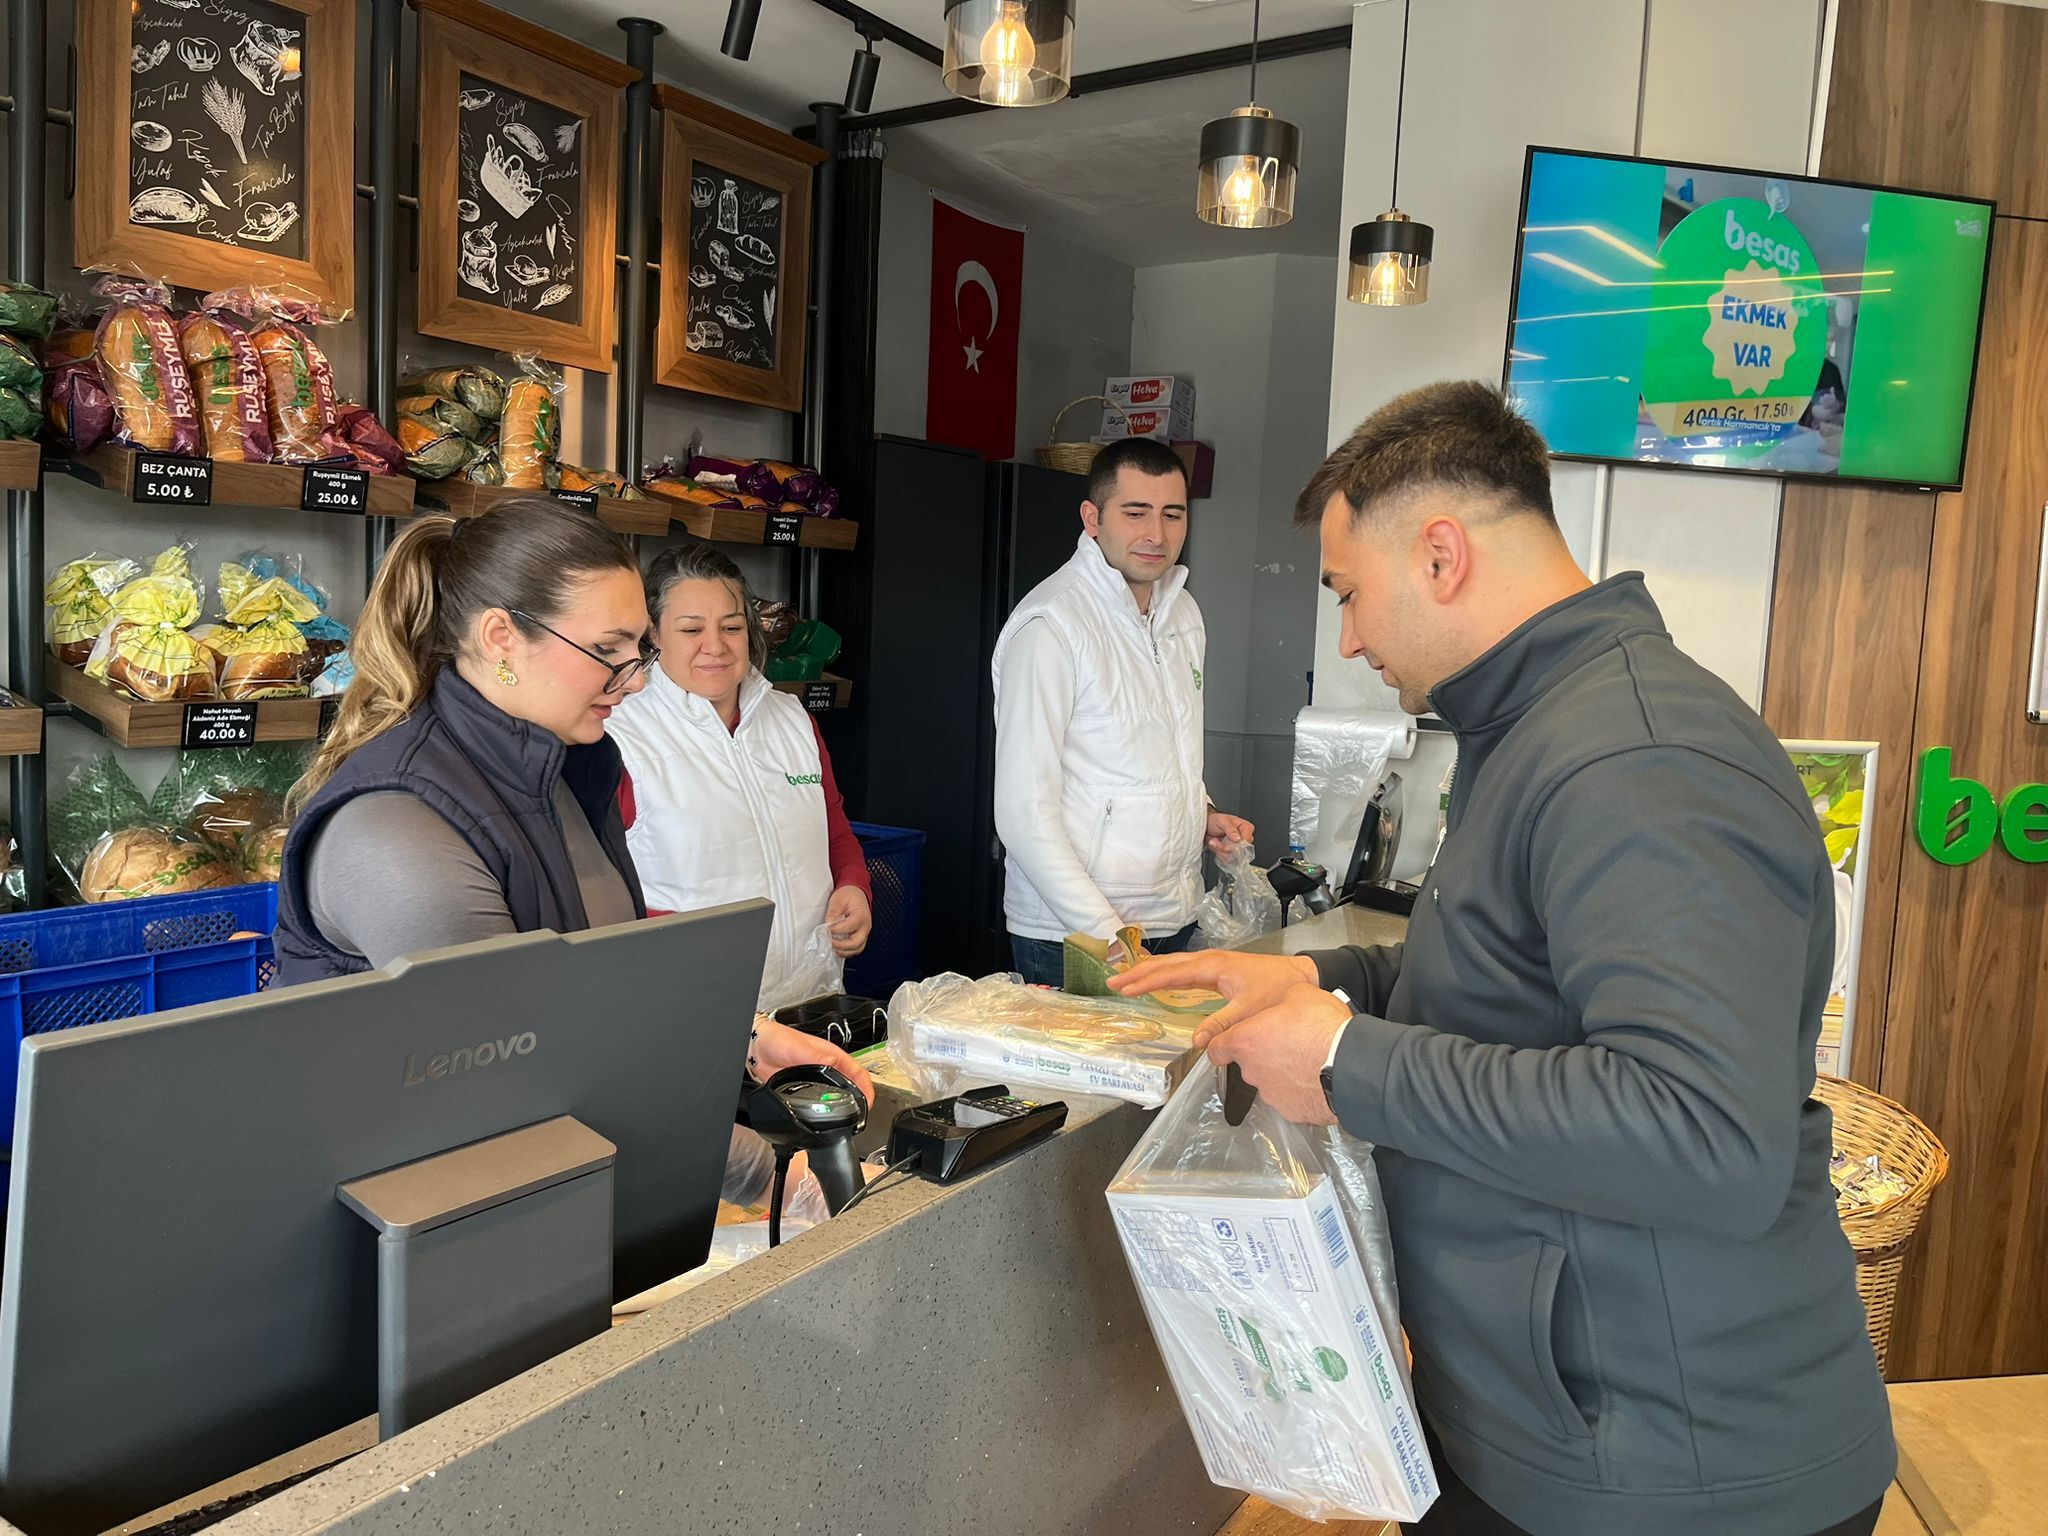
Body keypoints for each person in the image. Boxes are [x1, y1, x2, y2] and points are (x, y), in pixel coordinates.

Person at [1115, 383, 1893, 1536]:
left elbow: (1702, 1132)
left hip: (1667, 1479)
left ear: (1439, 556)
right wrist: (1326, 985)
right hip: (1535, 1427)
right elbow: (1510, 983)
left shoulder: (1639, 757)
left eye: (1348, 594)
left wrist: (1341, 1063)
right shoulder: (1531, 730)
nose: (1348, 639)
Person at [273, 501, 871, 1219]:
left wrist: (739, 1033)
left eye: (638, 649)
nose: (638, 680)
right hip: (412, 1225)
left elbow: (594, 981)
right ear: (502, 638)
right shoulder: (397, 829)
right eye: (609, 650)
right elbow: (528, 1077)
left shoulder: (562, 774)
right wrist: (773, 1178)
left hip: (540, 1196)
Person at [991, 436, 1253, 986]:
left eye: (1172, 514)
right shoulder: (1051, 626)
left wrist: (1201, 812)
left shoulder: (1183, 613)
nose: (1156, 534)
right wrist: (1109, 937)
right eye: (1136, 513)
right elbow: (1021, 811)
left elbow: (1165, 748)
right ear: (1093, 518)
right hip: (1076, 936)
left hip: (1173, 912)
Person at [607, 543, 872, 1012]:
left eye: (731, 627)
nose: (716, 646)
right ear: (654, 634)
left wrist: (854, 884)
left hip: (811, 996)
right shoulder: (621, 735)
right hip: (692, 1009)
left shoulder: (792, 719)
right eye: (691, 629)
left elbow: (833, 830)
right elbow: (601, 894)